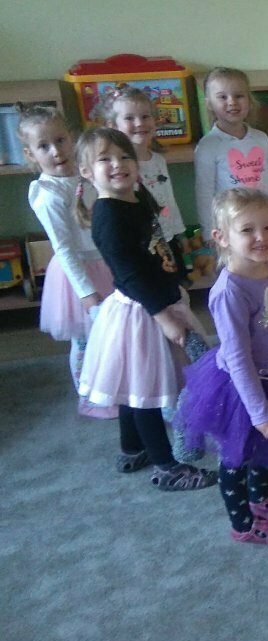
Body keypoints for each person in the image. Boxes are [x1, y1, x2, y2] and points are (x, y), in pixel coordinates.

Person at [175, 188, 268, 544]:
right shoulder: (229, 291)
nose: (261, 237)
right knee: (237, 455)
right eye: (247, 230)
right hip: (243, 388)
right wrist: (258, 410)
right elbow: (238, 357)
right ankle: (242, 524)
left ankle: (260, 497)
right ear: (222, 237)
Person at [76, 127, 215, 491]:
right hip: (141, 312)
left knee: (134, 384)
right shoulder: (108, 215)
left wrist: (177, 276)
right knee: (145, 393)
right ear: (87, 172)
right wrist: (164, 316)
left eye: (125, 156)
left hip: (156, 300)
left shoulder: (137, 199)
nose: (118, 164)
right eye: (105, 159)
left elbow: (159, 245)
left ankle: (132, 447)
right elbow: (129, 274)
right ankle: (166, 466)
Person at [17, 104, 115, 419]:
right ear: (30, 154)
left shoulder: (86, 173)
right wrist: (86, 292)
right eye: (44, 146)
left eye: (60, 140)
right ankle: (89, 396)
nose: (56, 151)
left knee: (114, 333)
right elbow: (64, 248)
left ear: (72, 138)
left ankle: (115, 385)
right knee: (85, 340)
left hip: (107, 263)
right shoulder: (47, 194)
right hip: (78, 275)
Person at [104, 84, 190, 280]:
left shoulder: (158, 160)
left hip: (167, 238)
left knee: (175, 286)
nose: (139, 123)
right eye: (129, 118)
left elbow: (169, 200)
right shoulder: (119, 167)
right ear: (113, 125)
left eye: (145, 116)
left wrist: (180, 232)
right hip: (141, 244)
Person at [194, 67, 268, 244]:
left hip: (264, 222)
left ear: (249, 100)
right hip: (232, 228)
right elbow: (204, 194)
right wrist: (208, 232)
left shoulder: (261, 139)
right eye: (222, 97)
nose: (232, 102)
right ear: (209, 104)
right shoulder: (208, 146)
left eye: (239, 96)